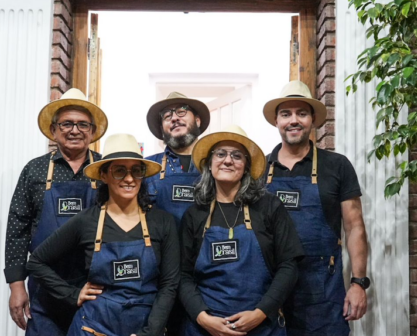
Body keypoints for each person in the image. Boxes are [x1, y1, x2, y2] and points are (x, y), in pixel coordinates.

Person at [26, 133, 180, 336]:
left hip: (144, 327)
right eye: (119, 171)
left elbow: (169, 284)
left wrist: (151, 332)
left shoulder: (162, 222)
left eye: (136, 170)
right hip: (92, 328)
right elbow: (36, 261)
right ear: (104, 176)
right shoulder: (87, 221)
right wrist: (72, 294)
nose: (129, 178)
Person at [263, 80, 369, 336]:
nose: (294, 120)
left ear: (312, 120)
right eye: (286, 114)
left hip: (322, 292)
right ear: (277, 121)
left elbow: (354, 227)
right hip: (268, 288)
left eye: (302, 113)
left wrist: (358, 283)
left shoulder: (337, 166)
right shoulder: (259, 169)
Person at [179, 125, 304, 336]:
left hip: (262, 327)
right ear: (209, 164)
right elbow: (182, 275)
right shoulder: (195, 214)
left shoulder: (269, 207)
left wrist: (261, 312)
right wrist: (203, 317)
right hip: (205, 328)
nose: (228, 160)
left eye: (237, 156)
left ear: (246, 166)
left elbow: (288, 266)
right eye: (220, 154)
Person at [4, 88, 108, 335]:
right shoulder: (35, 170)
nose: (75, 130)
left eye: (83, 125)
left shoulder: (107, 169)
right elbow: (16, 230)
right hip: (45, 285)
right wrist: (16, 285)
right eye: (67, 124)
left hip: (95, 285)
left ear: (92, 131)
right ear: (53, 130)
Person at [144, 92, 210, 335]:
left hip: (205, 277)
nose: (174, 118)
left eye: (182, 111)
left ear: (198, 120)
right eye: (167, 115)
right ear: (162, 127)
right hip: (158, 278)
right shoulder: (146, 168)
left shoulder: (215, 166)